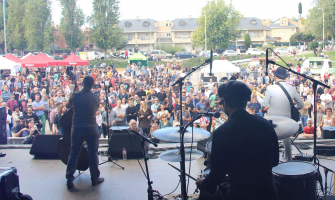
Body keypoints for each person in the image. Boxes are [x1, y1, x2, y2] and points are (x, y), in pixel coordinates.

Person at [196, 81, 279, 200]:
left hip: (240, 194)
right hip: (268, 192)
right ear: (245, 101)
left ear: (224, 101)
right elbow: (275, 161)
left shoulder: (222, 132)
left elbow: (217, 175)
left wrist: (204, 184)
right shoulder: (265, 125)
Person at [65, 75, 104, 188]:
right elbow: (94, 109)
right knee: (93, 153)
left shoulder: (75, 96)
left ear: (82, 83)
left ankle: (69, 178)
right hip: (91, 127)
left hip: (77, 127)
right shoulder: (96, 98)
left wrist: (72, 94)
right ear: (92, 85)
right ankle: (95, 178)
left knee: (74, 153)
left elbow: (68, 106)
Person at [263, 67, 303, 161]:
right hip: (287, 118)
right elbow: (300, 105)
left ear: (275, 76)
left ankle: (273, 161)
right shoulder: (292, 89)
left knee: (272, 140)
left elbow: (264, 104)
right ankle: (288, 160)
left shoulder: (270, 88)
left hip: (273, 119)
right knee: (287, 141)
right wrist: (292, 108)